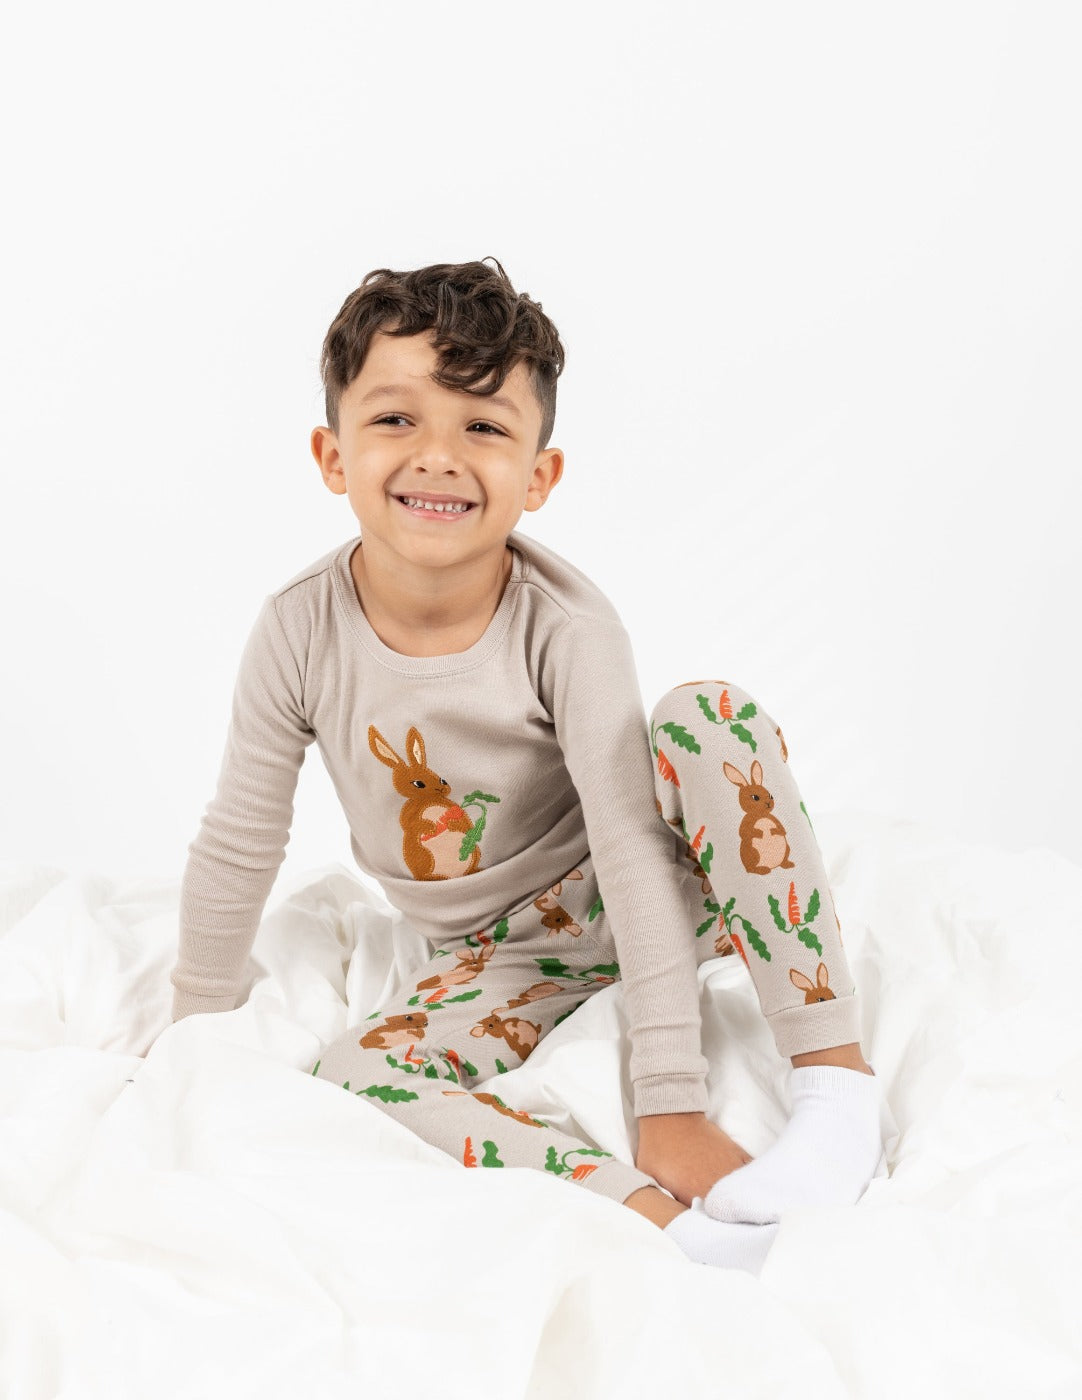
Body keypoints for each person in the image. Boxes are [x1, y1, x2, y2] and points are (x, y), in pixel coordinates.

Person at [170, 258, 889, 1273]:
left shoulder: (565, 625)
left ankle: (835, 1086)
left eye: (483, 427)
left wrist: (670, 1102)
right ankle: (657, 1222)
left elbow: (630, 843)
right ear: (333, 455)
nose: (437, 457)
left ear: (538, 477)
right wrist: (190, 1030)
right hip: (500, 958)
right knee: (357, 1075)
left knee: (707, 718)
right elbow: (243, 834)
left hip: (652, 889)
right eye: (395, 420)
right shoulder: (298, 629)